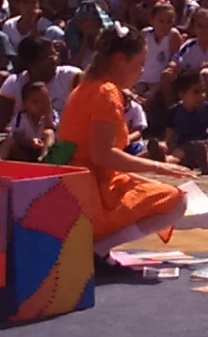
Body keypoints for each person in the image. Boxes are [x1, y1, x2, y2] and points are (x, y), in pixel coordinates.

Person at [55, 29, 193, 258]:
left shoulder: (86, 86)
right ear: (120, 60)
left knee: (154, 188)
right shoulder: (106, 92)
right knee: (177, 201)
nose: (142, 71)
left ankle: (99, 250)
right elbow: (103, 155)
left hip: (76, 182)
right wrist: (159, 167)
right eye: (140, 63)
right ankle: (99, 250)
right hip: (90, 190)